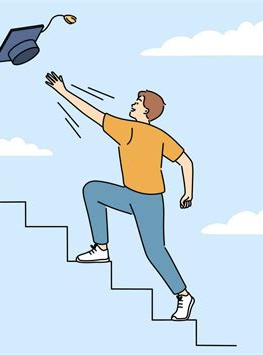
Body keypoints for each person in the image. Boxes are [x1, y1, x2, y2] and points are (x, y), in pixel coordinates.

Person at [45, 71, 195, 321]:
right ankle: (101, 248)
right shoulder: (158, 135)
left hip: (148, 201)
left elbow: (93, 114)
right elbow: (185, 162)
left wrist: (63, 91)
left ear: (146, 112)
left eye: (137, 103)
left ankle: (183, 296)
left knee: (155, 252)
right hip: (129, 195)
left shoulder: (129, 130)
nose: (133, 104)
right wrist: (187, 192)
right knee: (93, 190)